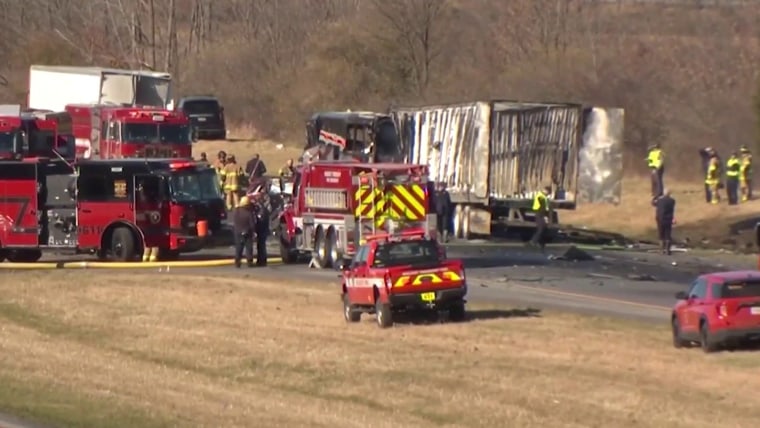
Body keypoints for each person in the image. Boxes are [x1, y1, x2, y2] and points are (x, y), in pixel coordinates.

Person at [232, 196, 256, 268]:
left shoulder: (236, 212)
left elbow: (234, 221)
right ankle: (249, 262)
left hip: (238, 232)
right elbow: (252, 224)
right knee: (249, 248)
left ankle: (237, 262)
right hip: (247, 232)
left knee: (239, 248)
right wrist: (253, 231)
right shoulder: (249, 213)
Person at [529, 185, 552, 252]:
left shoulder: (543, 197)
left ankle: (540, 243)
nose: (548, 194)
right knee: (541, 228)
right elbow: (542, 207)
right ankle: (534, 241)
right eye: (548, 192)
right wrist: (545, 216)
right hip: (539, 213)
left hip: (540, 213)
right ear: (546, 191)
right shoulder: (541, 196)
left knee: (543, 228)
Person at [251, 190, 270, 266]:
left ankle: (262, 260)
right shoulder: (263, 208)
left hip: (262, 230)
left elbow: (261, 219)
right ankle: (261, 260)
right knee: (260, 246)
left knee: (261, 246)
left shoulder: (262, 209)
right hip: (262, 230)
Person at [655, 189, 676, 255]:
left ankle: (661, 249)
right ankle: (667, 250)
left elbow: (653, 203)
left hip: (660, 219)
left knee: (661, 234)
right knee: (668, 234)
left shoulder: (660, 200)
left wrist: (657, 197)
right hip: (668, 219)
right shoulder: (672, 201)